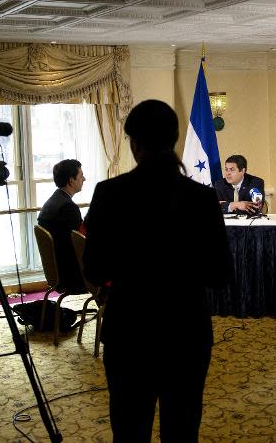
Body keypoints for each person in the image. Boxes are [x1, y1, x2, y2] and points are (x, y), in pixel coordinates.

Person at [83, 99, 233, 442]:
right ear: (175, 139)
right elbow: (220, 274)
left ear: (133, 144)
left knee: (130, 430)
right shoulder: (202, 198)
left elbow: (93, 267)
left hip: (129, 331)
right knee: (181, 430)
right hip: (186, 331)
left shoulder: (109, 194)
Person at [37, 159, 88, 294]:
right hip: (72, 274)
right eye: (81, 175)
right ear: (71, 181)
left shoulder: (53, 202)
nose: (84, 179)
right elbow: (80, 244)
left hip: (58, 271)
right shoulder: (68, 207)